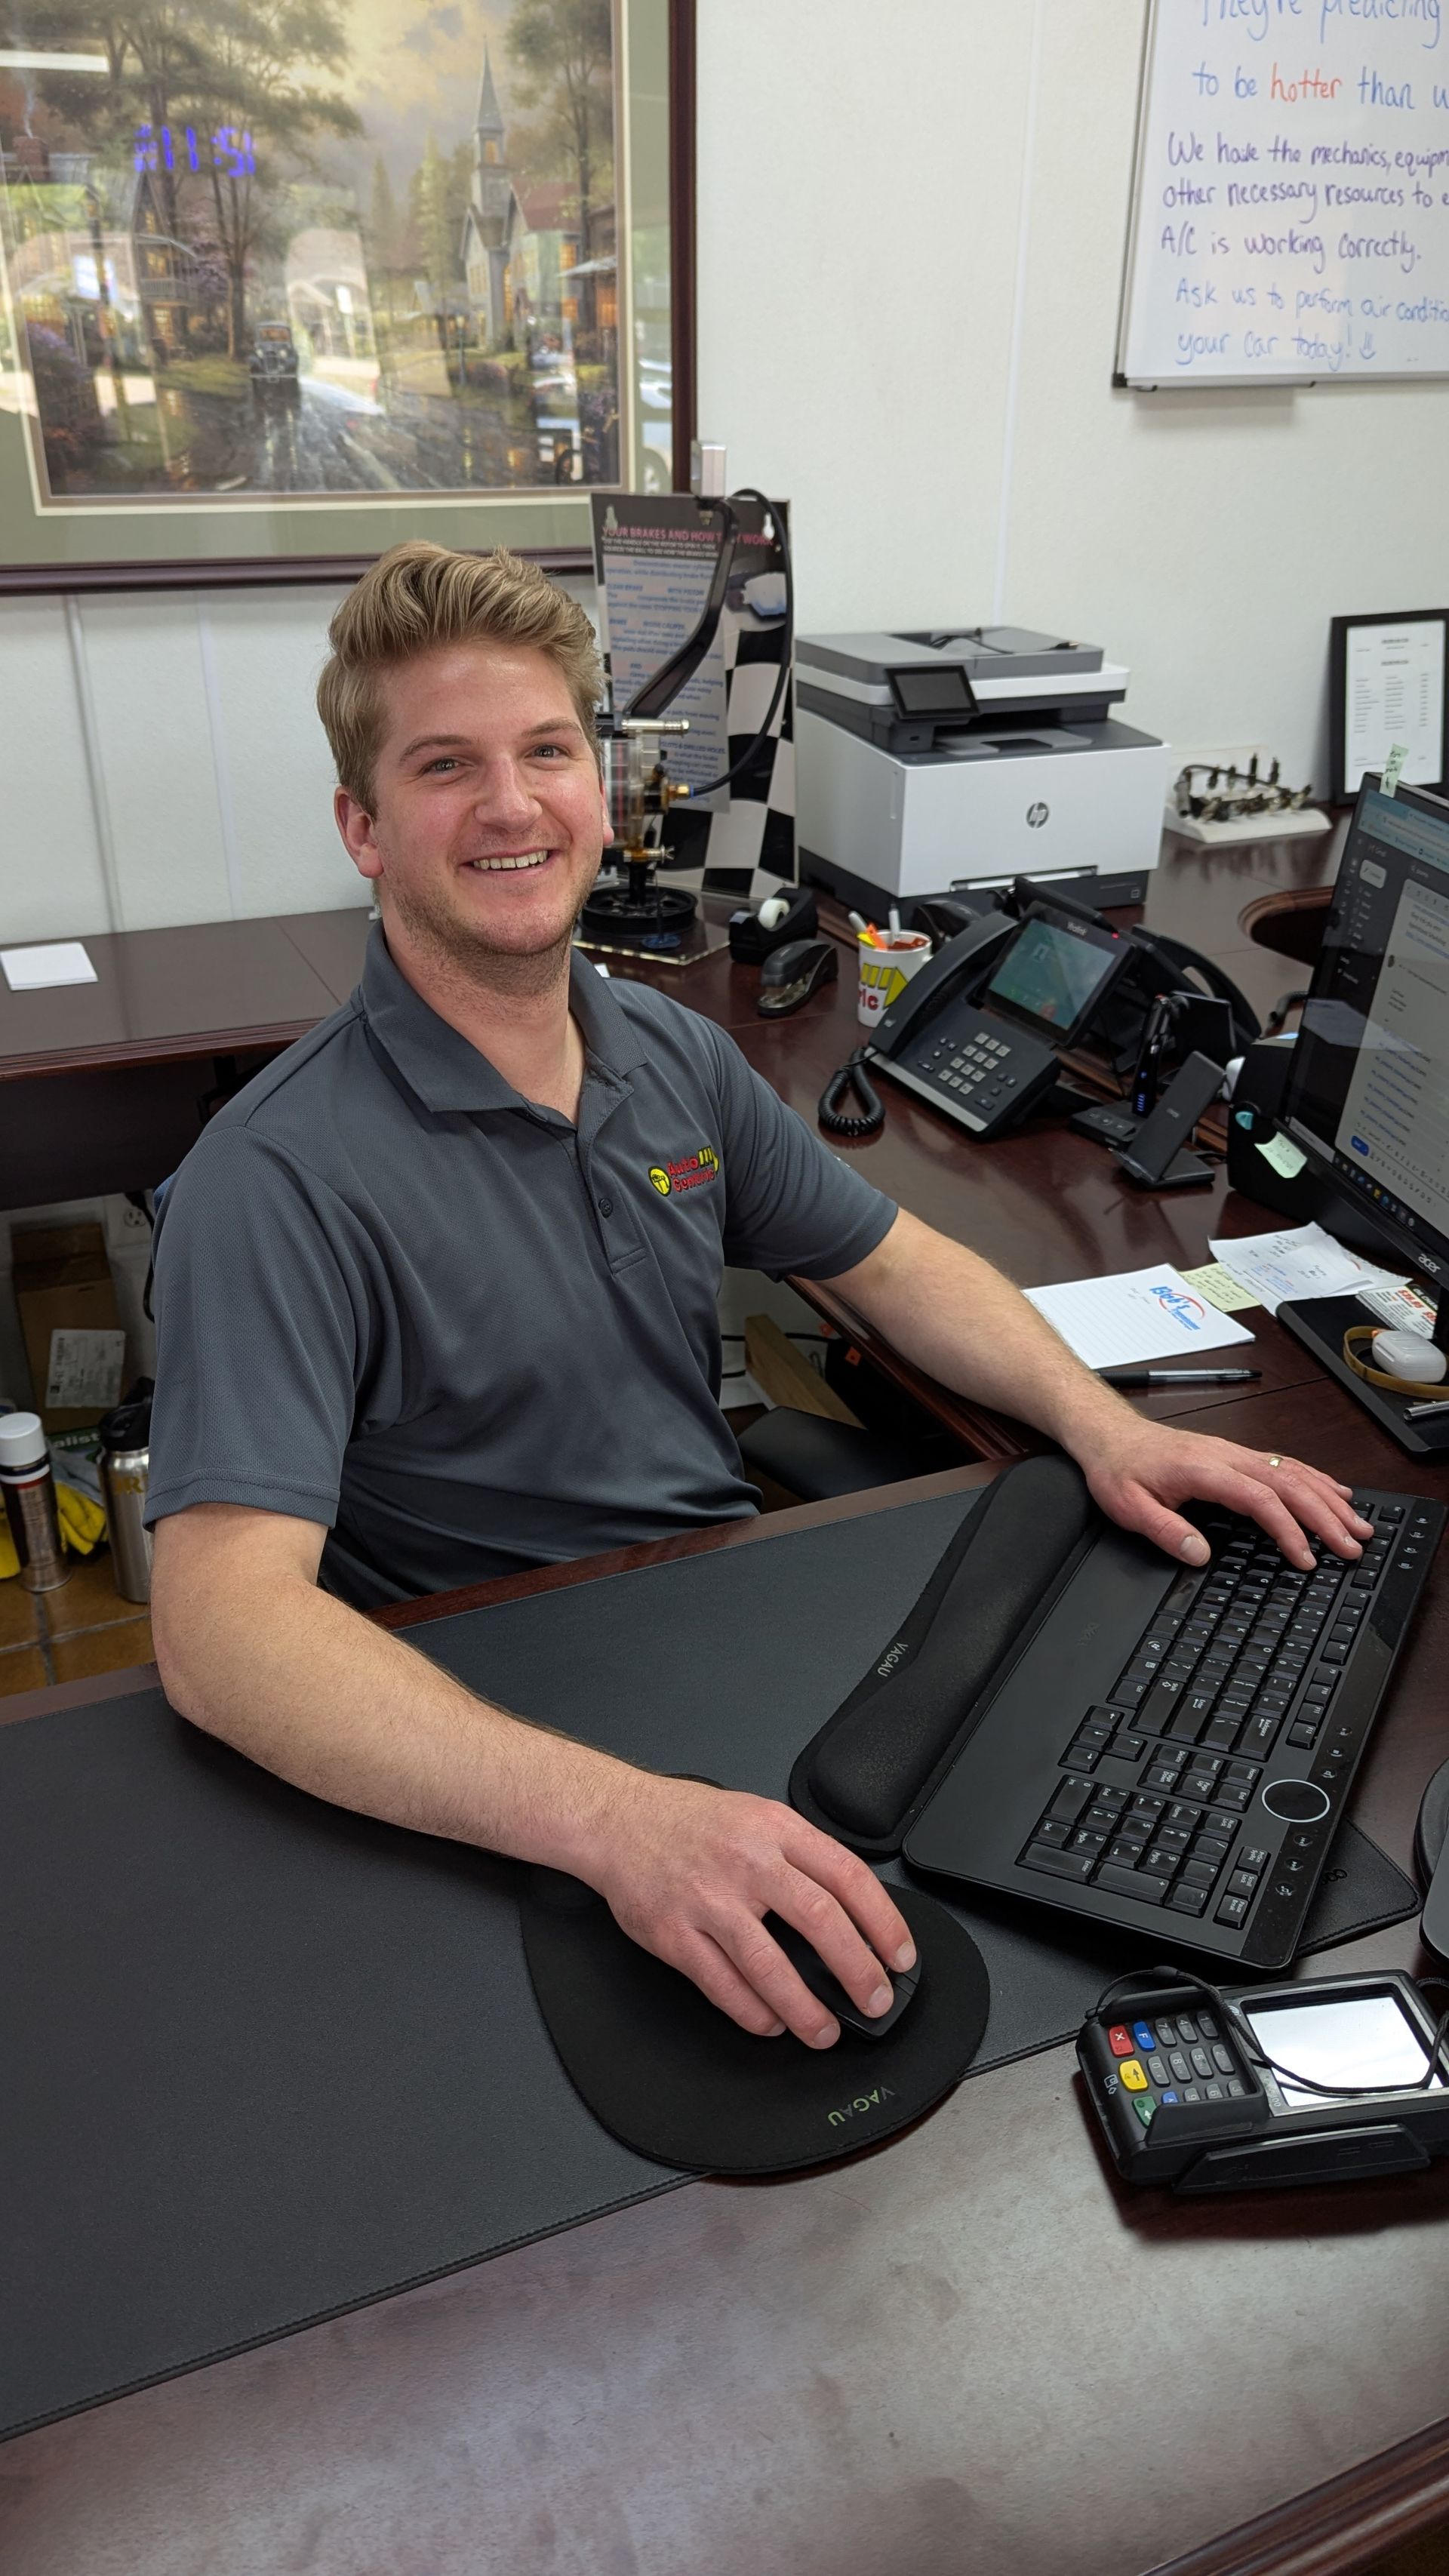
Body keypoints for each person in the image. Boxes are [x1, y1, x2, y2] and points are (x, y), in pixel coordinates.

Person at [148, 541, 1371, 2054]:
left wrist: (1100, 1425)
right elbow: (219, 1629)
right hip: (505, 1728)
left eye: (548, 752)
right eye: (446, 766)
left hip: (720, 1631)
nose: (516, 804)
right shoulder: (273, 1181)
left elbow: (895, 1260)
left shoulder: (664, 1054)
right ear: (364, 827)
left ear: (602, 786)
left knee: (1113, 1913)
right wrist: (613, 1823)